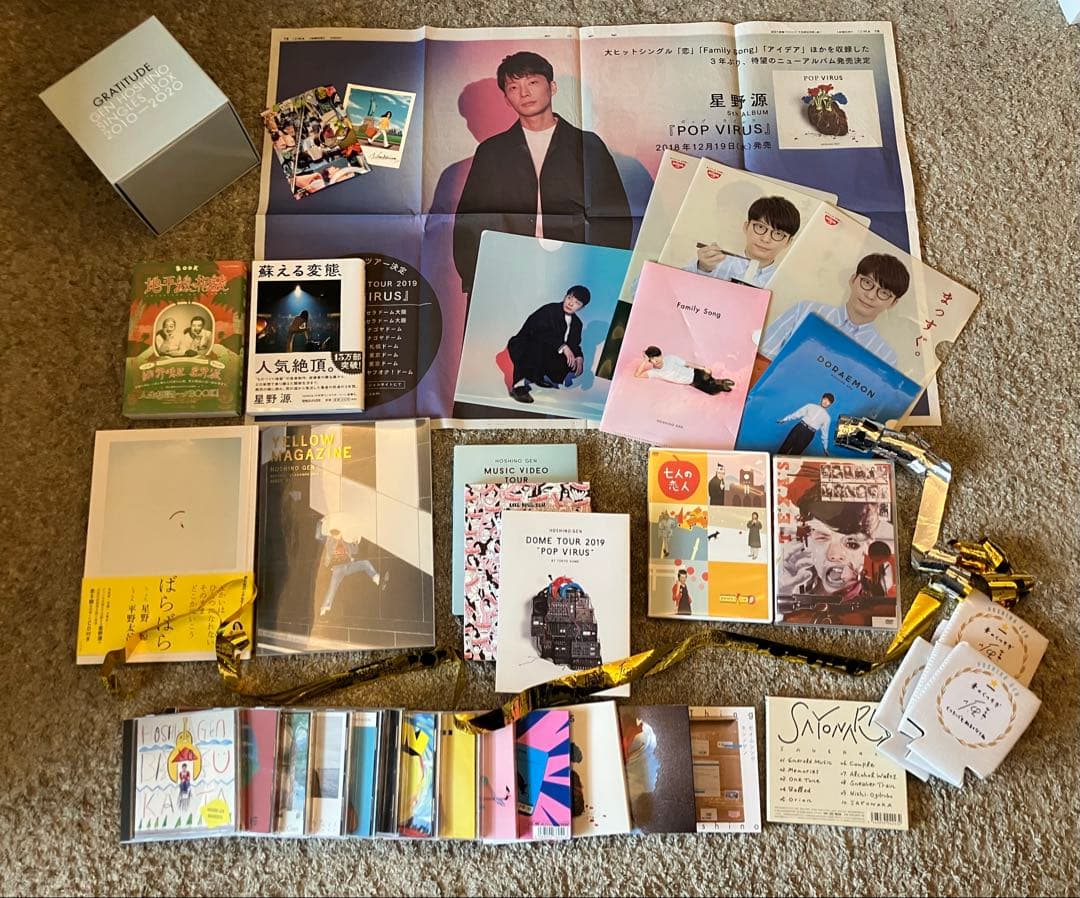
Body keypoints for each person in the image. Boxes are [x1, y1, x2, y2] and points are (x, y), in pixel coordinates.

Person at [453, 51, 632, 294]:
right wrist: (478, 280)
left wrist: (602, 274)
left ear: (552, 87)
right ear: (506, 99)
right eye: (514, 87)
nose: (524, 93)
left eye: (533, 82)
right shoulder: (491, 151)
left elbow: (614, 214)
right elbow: (469, 221)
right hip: (508, 273)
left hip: (575, 270)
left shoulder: (587, 145)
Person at [758, 253, 911, 366]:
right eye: (867, 283)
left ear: (893, 303)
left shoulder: (885, 356)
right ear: (853, 280)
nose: (870, 295)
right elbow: (763, 356)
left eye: (883, 293)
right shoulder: (805, 310)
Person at [778, 475, 886, 603]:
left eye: (851, 544)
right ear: (807, 543)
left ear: (867, 547)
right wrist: (783, 593)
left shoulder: (876, 603)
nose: (834, 555)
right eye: (822, 538)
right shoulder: (794, 587)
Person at [689, 195, 801, 287]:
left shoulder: (786, 286)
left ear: (788, 242)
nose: (766, 239)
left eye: (778, 234)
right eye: (760, 227)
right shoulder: (711, 262)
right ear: (746, 227)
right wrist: (702, 269)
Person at [507, 285, 590, 403]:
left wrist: (579, 357)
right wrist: (564, 347)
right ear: (565, 296)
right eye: (569, 298)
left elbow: (574, 343)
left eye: (577, 303)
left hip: (548, 349)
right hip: (525, 344)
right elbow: (539, 332)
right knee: (539, 345)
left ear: (582, 307)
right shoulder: (549, 310)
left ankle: (539, 376)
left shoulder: (577, 323)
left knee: (569, 359)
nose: (570, 303)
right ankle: (518, 386)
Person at [312, 526, 381, 619]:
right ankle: (325, 607)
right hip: (337, 568)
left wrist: (355, 542)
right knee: (333, 587)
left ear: (341, 533)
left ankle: (375, 576)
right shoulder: (329, 540)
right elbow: (318, 536)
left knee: (365, 563)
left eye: (338, 535)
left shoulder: (346, 540)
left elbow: (355, 551)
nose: (337, 537)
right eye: (335, 536)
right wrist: (320, 523)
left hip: (348, 566)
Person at [634, 346, 734, 395]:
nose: (657, 360)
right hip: (692, 382)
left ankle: (714, 380)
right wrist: (645, 360)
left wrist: (702, 367)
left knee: (708, 384)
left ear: (661, 355)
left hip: (695, 373)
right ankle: (720, 382)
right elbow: (637, 375)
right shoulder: (654, 372)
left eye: (658, 357)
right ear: (650, 360)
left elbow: (686, 363)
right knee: (710, 388)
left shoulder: (670, 358)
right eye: (653, 359)